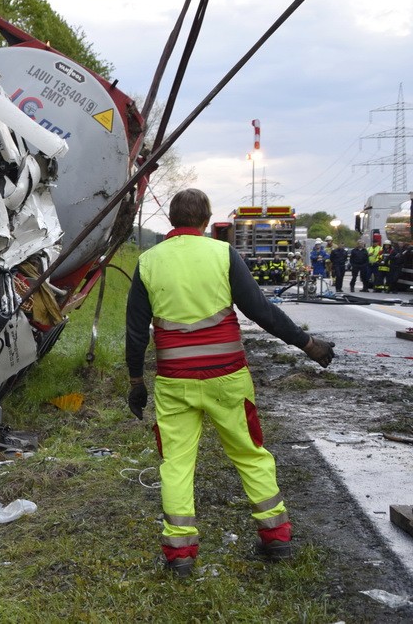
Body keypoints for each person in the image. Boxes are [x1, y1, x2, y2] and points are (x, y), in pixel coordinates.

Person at [125, 189, 335, 578]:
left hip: (175, 384)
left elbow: (136, 330)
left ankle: (181, 554)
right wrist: (308, 344)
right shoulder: (223, 255)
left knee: (176, 464)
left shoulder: (148, 262)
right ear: (205, 221)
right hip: (228, 379)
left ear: (172, 220)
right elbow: (261, 310)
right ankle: (276, 538)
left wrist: (136, 380)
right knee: (250, 452)